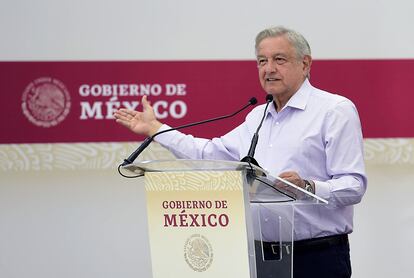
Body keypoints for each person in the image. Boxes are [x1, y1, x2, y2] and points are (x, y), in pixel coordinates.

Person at [114, 26, 367, 278]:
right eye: (262, 61)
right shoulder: (258, 117)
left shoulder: (334, 110)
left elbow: (353, 185)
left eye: (279, 59)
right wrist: (155, 128)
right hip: (258, 258)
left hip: (316, 259)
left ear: (305, 63)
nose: (269, 69)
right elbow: (209, 155)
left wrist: (308, 187)